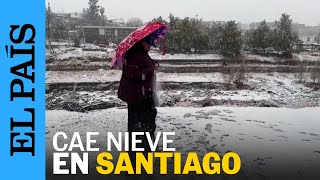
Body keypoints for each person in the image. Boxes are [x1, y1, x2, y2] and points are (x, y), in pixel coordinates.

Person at [117, 35, 160, 161]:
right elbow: (134, 74)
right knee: (138, 124)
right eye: (149, 44)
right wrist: (152, 68)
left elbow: (144, 67)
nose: (151, 47)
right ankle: (137, 154)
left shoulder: (142, 53)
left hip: (145, 94)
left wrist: (153, 64)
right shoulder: (133, 55)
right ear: (143, 43)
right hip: (137, 96)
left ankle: (147, 147)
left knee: (148, 121)